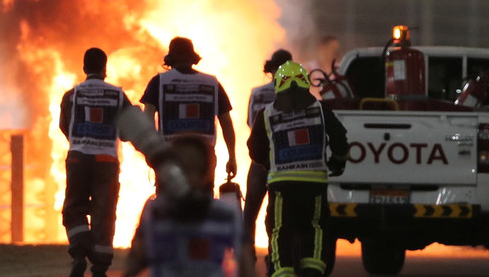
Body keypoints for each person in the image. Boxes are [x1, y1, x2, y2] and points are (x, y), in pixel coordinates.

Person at [247, 61, 349, 277]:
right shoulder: (320, 109)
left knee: (279, 231)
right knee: (316, 228)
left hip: (282, 186)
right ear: (305, 83)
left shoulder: (266, 114)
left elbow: (254, 150)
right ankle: (312, 270)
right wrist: (338, 161)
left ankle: (282, 272)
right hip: (315, 185)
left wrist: (270, 163)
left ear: (278, 85)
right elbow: (340, 137)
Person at [124, 136, 255, 277]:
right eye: (181, 168)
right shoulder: (154, 211)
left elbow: (246, 267)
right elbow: (135, 261)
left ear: (205, 172)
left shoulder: (228, 214)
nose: (186, 176)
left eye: (193, 168)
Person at [59, 47, 131, 277]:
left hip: (78, 158)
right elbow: (128, 132)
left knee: (74, 207)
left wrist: (81, 142)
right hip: (106, 161)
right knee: (104, 212)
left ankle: (80, 253)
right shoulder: (118, 96)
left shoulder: (71, 95)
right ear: (104, 68)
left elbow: (64, 126)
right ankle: (100, 267)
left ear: (84, 68)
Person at [140, 37, 237, 189]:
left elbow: (147, 118)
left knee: (169, 205)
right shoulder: (212, 83)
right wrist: (232, 156)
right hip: (204, 156)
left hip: (169, 154)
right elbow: (226, 121)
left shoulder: (158, 82)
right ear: (192, 56)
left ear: (170, 57)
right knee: (202, 204)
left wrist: (151, 150)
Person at [244, 49, 292, 258]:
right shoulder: (297, 95)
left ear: (270, 69)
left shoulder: (258, 93)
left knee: (250, 211)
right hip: (287, 160)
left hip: (260, 160)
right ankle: (276, 253)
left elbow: (250, 123)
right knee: (279, 212)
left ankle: (247, 254)